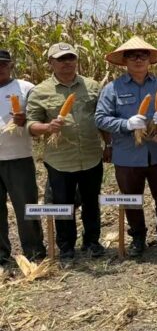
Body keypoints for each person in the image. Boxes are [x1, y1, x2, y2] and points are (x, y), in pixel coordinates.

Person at [95, 37, 157, 259]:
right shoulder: (112, 89)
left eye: (143, 55)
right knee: (131, 199)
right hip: (128, 155)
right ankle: (138, 238)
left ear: (150, 59)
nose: (139, 59)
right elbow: (101, 118)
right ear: (125, 60)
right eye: (133, 55)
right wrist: (125, 124)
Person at [26, 42, 108, 262]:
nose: (67, 63)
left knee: (91, 202)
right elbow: (30, 124)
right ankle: (66, 246)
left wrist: (108, 145)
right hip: (60, 159)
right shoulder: (40, 91)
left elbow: (101, 120)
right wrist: (46, 127)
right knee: (64, 205)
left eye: (70, 58)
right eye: (61, 59)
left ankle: (92, 242)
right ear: (51, 63)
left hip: (91, 155)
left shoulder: (92, 86)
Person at [0, 50, 46, 263]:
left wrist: (25, 119)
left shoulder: (26, 88)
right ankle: (1, 254)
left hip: (18, 157)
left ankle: (34, 250)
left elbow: (38, 117)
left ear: (11, 65)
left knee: (26, 207)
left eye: (3, 64)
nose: (0, 67)